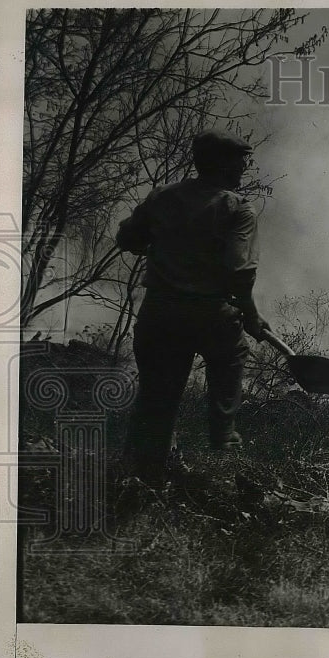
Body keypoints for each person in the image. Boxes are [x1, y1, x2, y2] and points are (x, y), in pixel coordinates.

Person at [116, 130, 271, 485]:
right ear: (223, 166)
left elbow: (128, 238)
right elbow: (240, 271)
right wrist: (251, 315)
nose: (243, 169)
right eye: (239, 162)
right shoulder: (236, 208)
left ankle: (144, 473)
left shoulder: (163, 197)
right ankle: (224, 441)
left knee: (157, 394)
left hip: (159, 313)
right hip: (209, 313)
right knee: (231, 357)